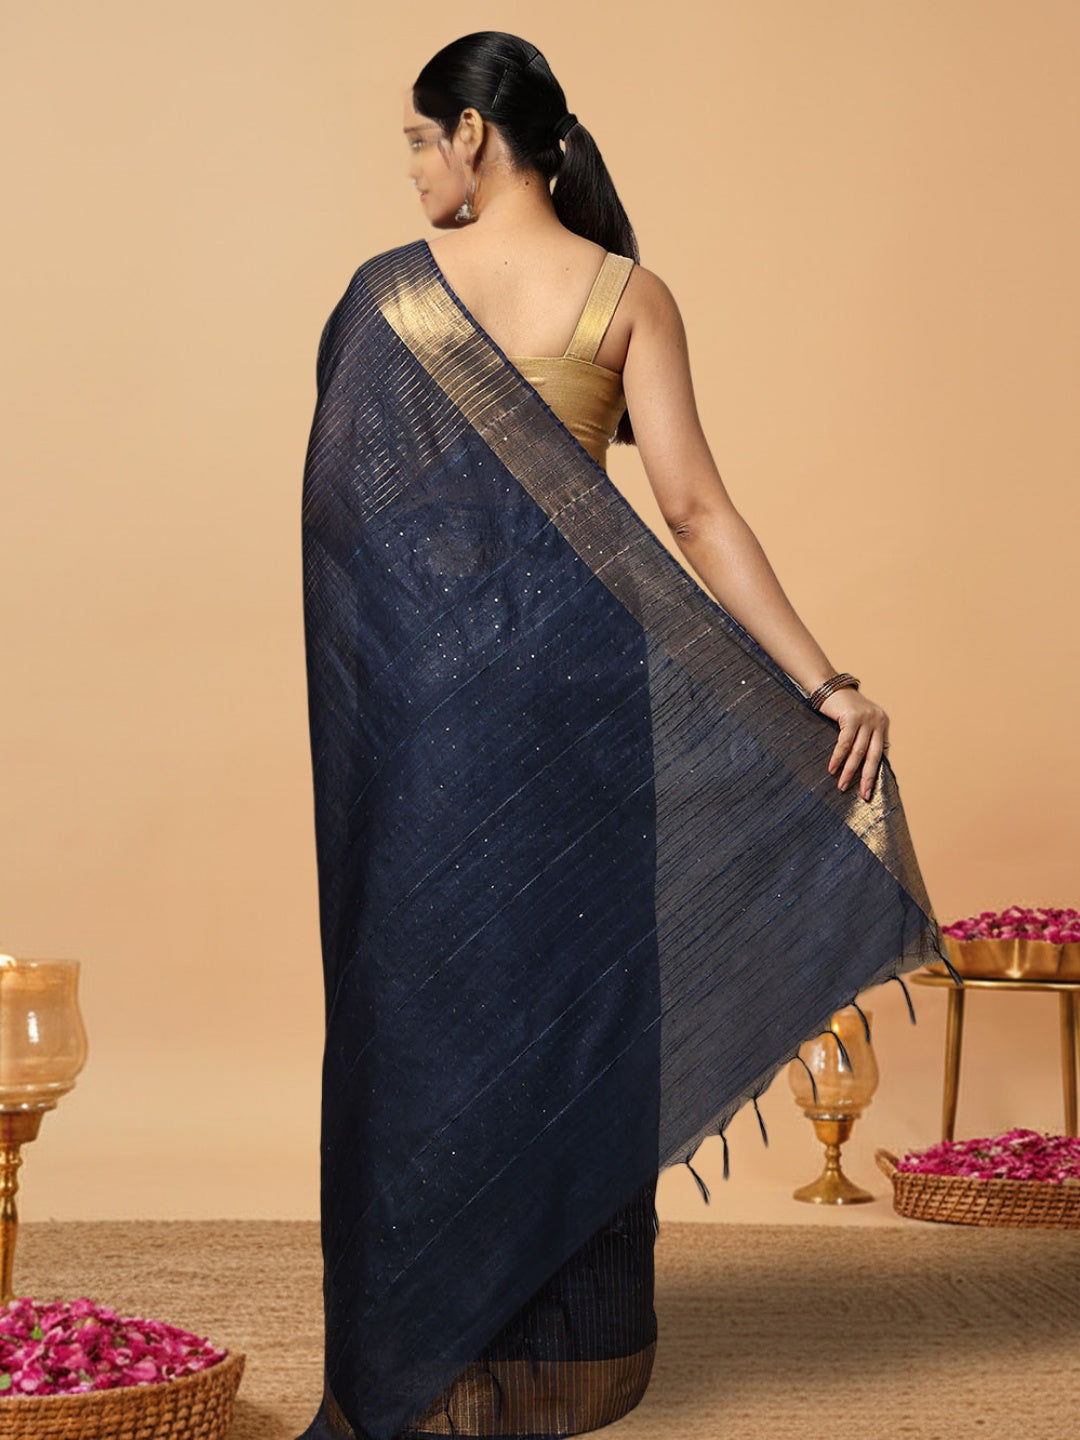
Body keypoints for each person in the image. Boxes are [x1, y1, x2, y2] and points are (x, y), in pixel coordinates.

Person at [296, 31, 946, 1440]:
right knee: (576, 1013)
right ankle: (574, 1363)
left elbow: (352, 526)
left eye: (419, 140)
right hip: (593, 711)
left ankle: (436, 1365)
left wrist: (409, 663)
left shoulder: (387, 300)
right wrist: (826, 683)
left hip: (434, 722)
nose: (413, 168)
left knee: (434, 1016)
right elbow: (697, 515)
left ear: (475, 135)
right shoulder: (627, 294)